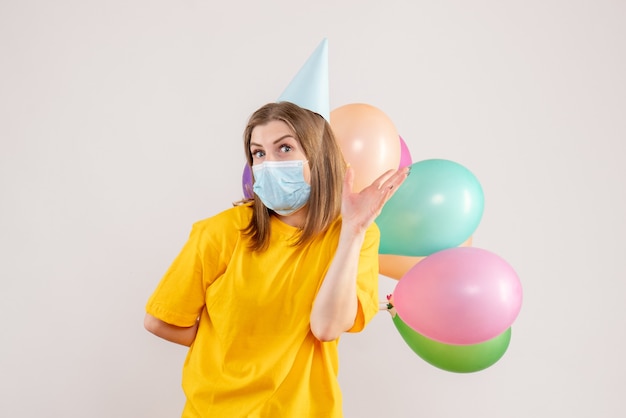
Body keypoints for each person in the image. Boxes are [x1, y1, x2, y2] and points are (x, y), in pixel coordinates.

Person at [144, 101, 409, 417]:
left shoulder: (357, 235)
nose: (269, 163)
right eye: (259, 153)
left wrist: (353, 229)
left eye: (284, 148)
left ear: (318, 157)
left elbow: (327, 328)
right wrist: (232, 348)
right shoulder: (220, 232)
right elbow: (161, 320)